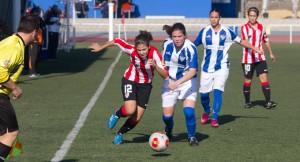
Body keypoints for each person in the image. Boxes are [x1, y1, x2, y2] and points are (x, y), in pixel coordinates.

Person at [89, 31, 168, 145]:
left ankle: (119, 133)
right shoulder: (131, 50)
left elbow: (165, 75)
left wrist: (155, 66)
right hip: (130, 80)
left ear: (148, 47)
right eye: (139, 50)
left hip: (145, 85)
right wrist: (101, 47)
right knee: (130, 110)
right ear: (136, 48)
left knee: (137, 117)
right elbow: (117, 41)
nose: (141, 52)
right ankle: (117, 113)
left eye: (144, 49)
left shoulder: (155, 54)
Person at [194, 8, 264, 128]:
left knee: (217, 92)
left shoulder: (226, 31)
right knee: (203, 96)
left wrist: (255, 49)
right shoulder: (204, 31)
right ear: (209, 18)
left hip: (222, 67)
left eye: (216, 17)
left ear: (219, 17)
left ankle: (215, 118)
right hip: (206, 68)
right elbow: (193, 44)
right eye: (212, 17)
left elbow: (241, 41)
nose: (214, 19)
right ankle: (207, 110)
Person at [0, 15, 40, 161]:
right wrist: (14, 88)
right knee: (11, 133)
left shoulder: (12, 41)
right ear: (34, 32)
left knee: (4, 134)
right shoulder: (15, 46)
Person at [161, 23, 199, 146]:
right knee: (167, 117)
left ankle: (192, 137)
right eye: (174, 36)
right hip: (170, 81)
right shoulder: (167, 44)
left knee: (189, 112)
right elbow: (161, 60)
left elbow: (193, 71)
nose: (177, 39)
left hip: (188, 81)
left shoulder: (191, 48)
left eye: (179, 36)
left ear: (185, 35)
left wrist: (177, 83)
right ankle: (169, 130)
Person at [241, 7, 277, 109]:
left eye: (254, 16)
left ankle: (268, 102)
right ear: (248, 16)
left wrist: (271, 53)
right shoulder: (244, 28)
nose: (252, 18)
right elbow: (244, 42)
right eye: (250, 16)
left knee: (264, 78)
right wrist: (256, 49)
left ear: (257, 16)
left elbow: (266, 40)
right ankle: (247, 102)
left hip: (260, 58)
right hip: (248, 59)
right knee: (248, 80)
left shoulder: (262, 27)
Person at [28, 7, 46, 77]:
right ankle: (31, 72)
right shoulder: (30, 19)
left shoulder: (39, 19)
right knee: (32, 56)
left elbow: (43, 24)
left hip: (39, 39)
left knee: (36, 56)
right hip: (33, 39)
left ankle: (34, 71)